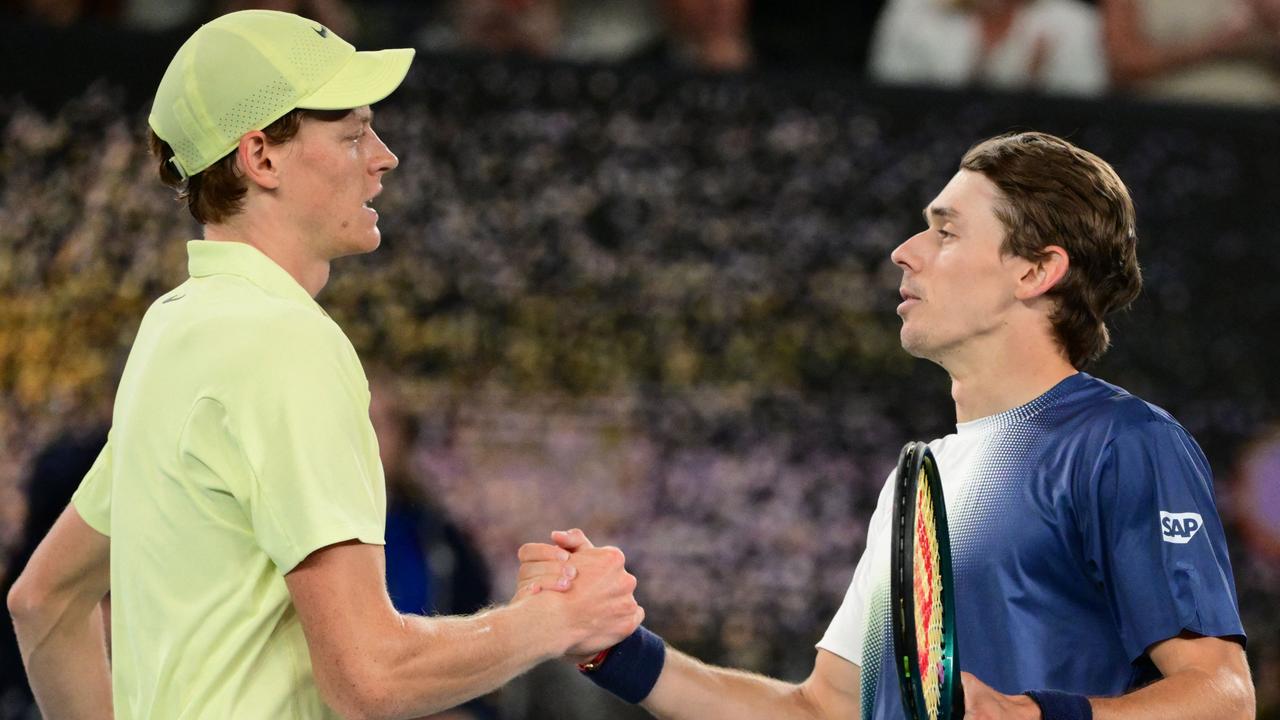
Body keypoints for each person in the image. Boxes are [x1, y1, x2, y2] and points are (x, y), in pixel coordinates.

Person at [5, 9, 642, 720]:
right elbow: (370, 680)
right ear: (261, 157)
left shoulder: (177, 327)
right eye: (353, 132)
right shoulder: (283, 344)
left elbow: (45, 602)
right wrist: (554, 618)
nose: (384, 155)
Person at [519, 132, 1255, 719]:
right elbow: (821, 711)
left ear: (1035, 272)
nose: (905, 251)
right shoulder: (921, 478)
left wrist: (1033, 715)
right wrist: (614, 649)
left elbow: (1221, 697)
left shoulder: (1125, 444)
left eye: (945, 232)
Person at [869, 0, 1108, 97]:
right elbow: (891, 107)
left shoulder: (1075, 23)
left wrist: (1033, 92)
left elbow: (1085, 123)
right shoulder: (910, 13)